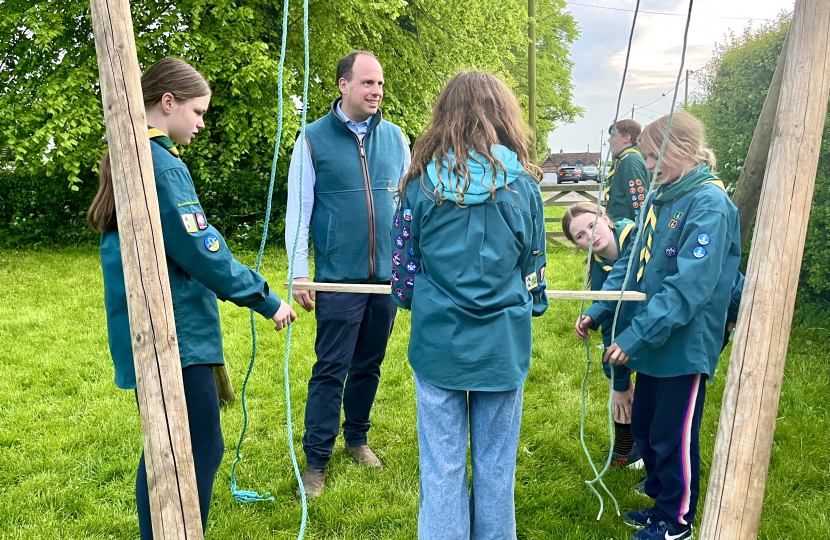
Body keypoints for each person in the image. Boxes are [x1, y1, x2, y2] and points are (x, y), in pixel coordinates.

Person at [87, 58, 296, 539]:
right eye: (197, 111)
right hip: (174, 336)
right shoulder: (161, 167)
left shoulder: (129, 154)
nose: (201, 123)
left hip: (147, 333)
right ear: (167, 103)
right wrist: (266, 299)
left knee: (165, 447)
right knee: (198, 447)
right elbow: (205, 252)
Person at [391, 71, 549, 540]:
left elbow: (403, 275)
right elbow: (534, 271)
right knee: (496, 468)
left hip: (439, 343)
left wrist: (417, 298)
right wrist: (532, 303)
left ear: (444, 117)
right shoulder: (525, 189)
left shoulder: (418, 186)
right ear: (504, 118)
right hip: (501, 346)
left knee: (440, 468)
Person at [575, 111, 741, 540]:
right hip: (651, 334)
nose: (647, 166)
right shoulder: (662, 195)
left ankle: (677, 520)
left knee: (674, 433)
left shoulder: (709, 203)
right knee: (647, 428)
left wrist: (635, 336)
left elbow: (690, 285)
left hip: (684, 339)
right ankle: (660, 500)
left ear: (684, 150)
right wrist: (601, 308)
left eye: (653, 157)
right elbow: (631, 262)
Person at [284, 50, 411, 498]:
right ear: (343, 85)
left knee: (369, 365)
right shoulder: (312, 139)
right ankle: (316, 461)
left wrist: (410, 265)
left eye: (380, 83)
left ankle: (356, 439)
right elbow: (299, 211)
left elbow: (409, 206)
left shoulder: (396, 139)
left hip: (385, 280)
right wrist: (300, 272)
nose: (376, 91)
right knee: (330, 368)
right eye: (367, 83)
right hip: (338, 278)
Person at [561, 202, 641, 467]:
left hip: (659, 322)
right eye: (580, 236)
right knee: (616, 376)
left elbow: (626, 280)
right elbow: (610, 325)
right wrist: (618, 382)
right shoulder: (598, 270)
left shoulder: (637, 237)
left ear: (606, 218)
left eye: (592, 225)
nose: (589, 236)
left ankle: (644, 445)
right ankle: (626, 446)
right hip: (630, 328)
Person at [603, 119, 649, 223]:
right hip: (621, 225)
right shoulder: (624, 159)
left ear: (627, 138)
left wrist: (637, 230)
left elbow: (637, 202)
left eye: (613, 135)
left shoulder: (631, 160)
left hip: (628, 229)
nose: (609, 140)